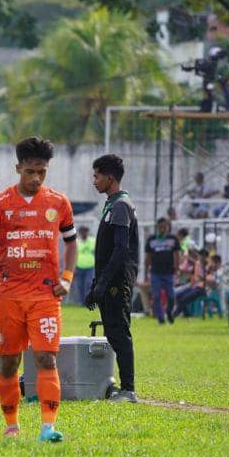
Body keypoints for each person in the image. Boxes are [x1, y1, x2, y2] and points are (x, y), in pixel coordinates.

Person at [0, 137, 77, 442]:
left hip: (45, 296)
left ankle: (48, 426)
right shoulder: (0, 203)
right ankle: (11, 424)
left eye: (41, 172)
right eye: (30, 171)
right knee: (9, 361)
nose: (35, 178)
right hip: (9, 297)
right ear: (18, 167)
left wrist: (67, 277)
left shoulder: (58, 202)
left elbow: (71, 243)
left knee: (46, 358)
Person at [86, 154, 139, 403]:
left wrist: (104, 282)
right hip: (109, 281)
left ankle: (129, 390)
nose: (94, 181)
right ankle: (123, 387)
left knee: (119, 332)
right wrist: (96, 284)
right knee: (113, 332)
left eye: (96, 176)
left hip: (118, 281)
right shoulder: (112, 204)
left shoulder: (121, 205)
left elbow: (120, 249)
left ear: (109, 177)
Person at [145, 218, 181, 324]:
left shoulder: (173, 239)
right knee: (156, 296)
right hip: (155, 272)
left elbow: (177, 255)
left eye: (165, 227)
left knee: (171, 296)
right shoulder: (151, 240)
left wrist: (177, 268)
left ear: (168, 227)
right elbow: (148, 257)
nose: (162, 229)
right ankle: (161, 318)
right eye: (160, 227)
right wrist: (146, 271)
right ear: (157, 228)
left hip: (169, 273)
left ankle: (169, 311)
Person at [73, 227, 95, 306]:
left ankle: (88, 300)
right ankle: (81, 302)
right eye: (82, 232)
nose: (84, 234)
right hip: (79, 266)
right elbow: (74, 255)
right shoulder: (77, 242)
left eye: (85, 232)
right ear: (80, 233)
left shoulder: (92, 241)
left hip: (90, 266)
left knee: (88, 283)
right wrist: (74, 267)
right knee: (80, 285)